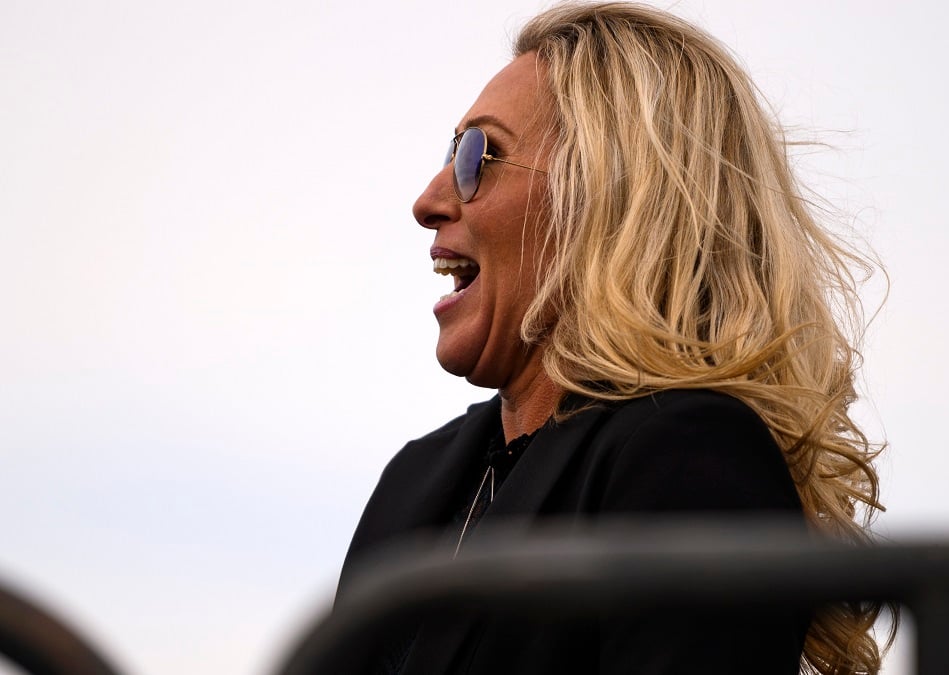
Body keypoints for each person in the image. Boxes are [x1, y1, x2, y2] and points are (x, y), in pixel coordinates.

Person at [338, 2, 887, 673]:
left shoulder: (688, 459)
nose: (429, 198)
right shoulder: (414, 479)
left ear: (610, 194)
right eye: (448, 155)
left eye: (479, 153)